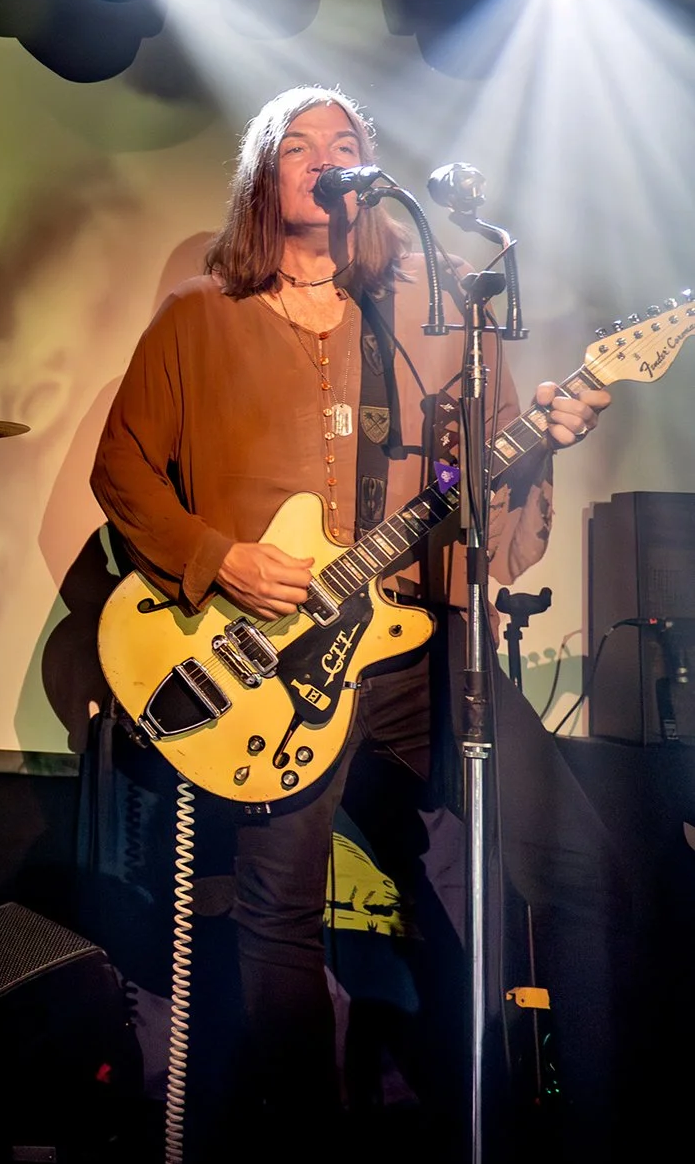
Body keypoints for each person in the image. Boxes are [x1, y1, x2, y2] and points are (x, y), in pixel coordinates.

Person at [90, 87, 621, 1158]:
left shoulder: (431, 324)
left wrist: (547, 435)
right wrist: (219, 557)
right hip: (275, 663)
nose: (326, 159)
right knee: (280, 909)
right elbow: (122, 472)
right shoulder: (198, 314)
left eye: (346, 144)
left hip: (415, 646)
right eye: (298, 145)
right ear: (260, 177)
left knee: (574, 864)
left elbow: (478, 509)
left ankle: (568, 1120)